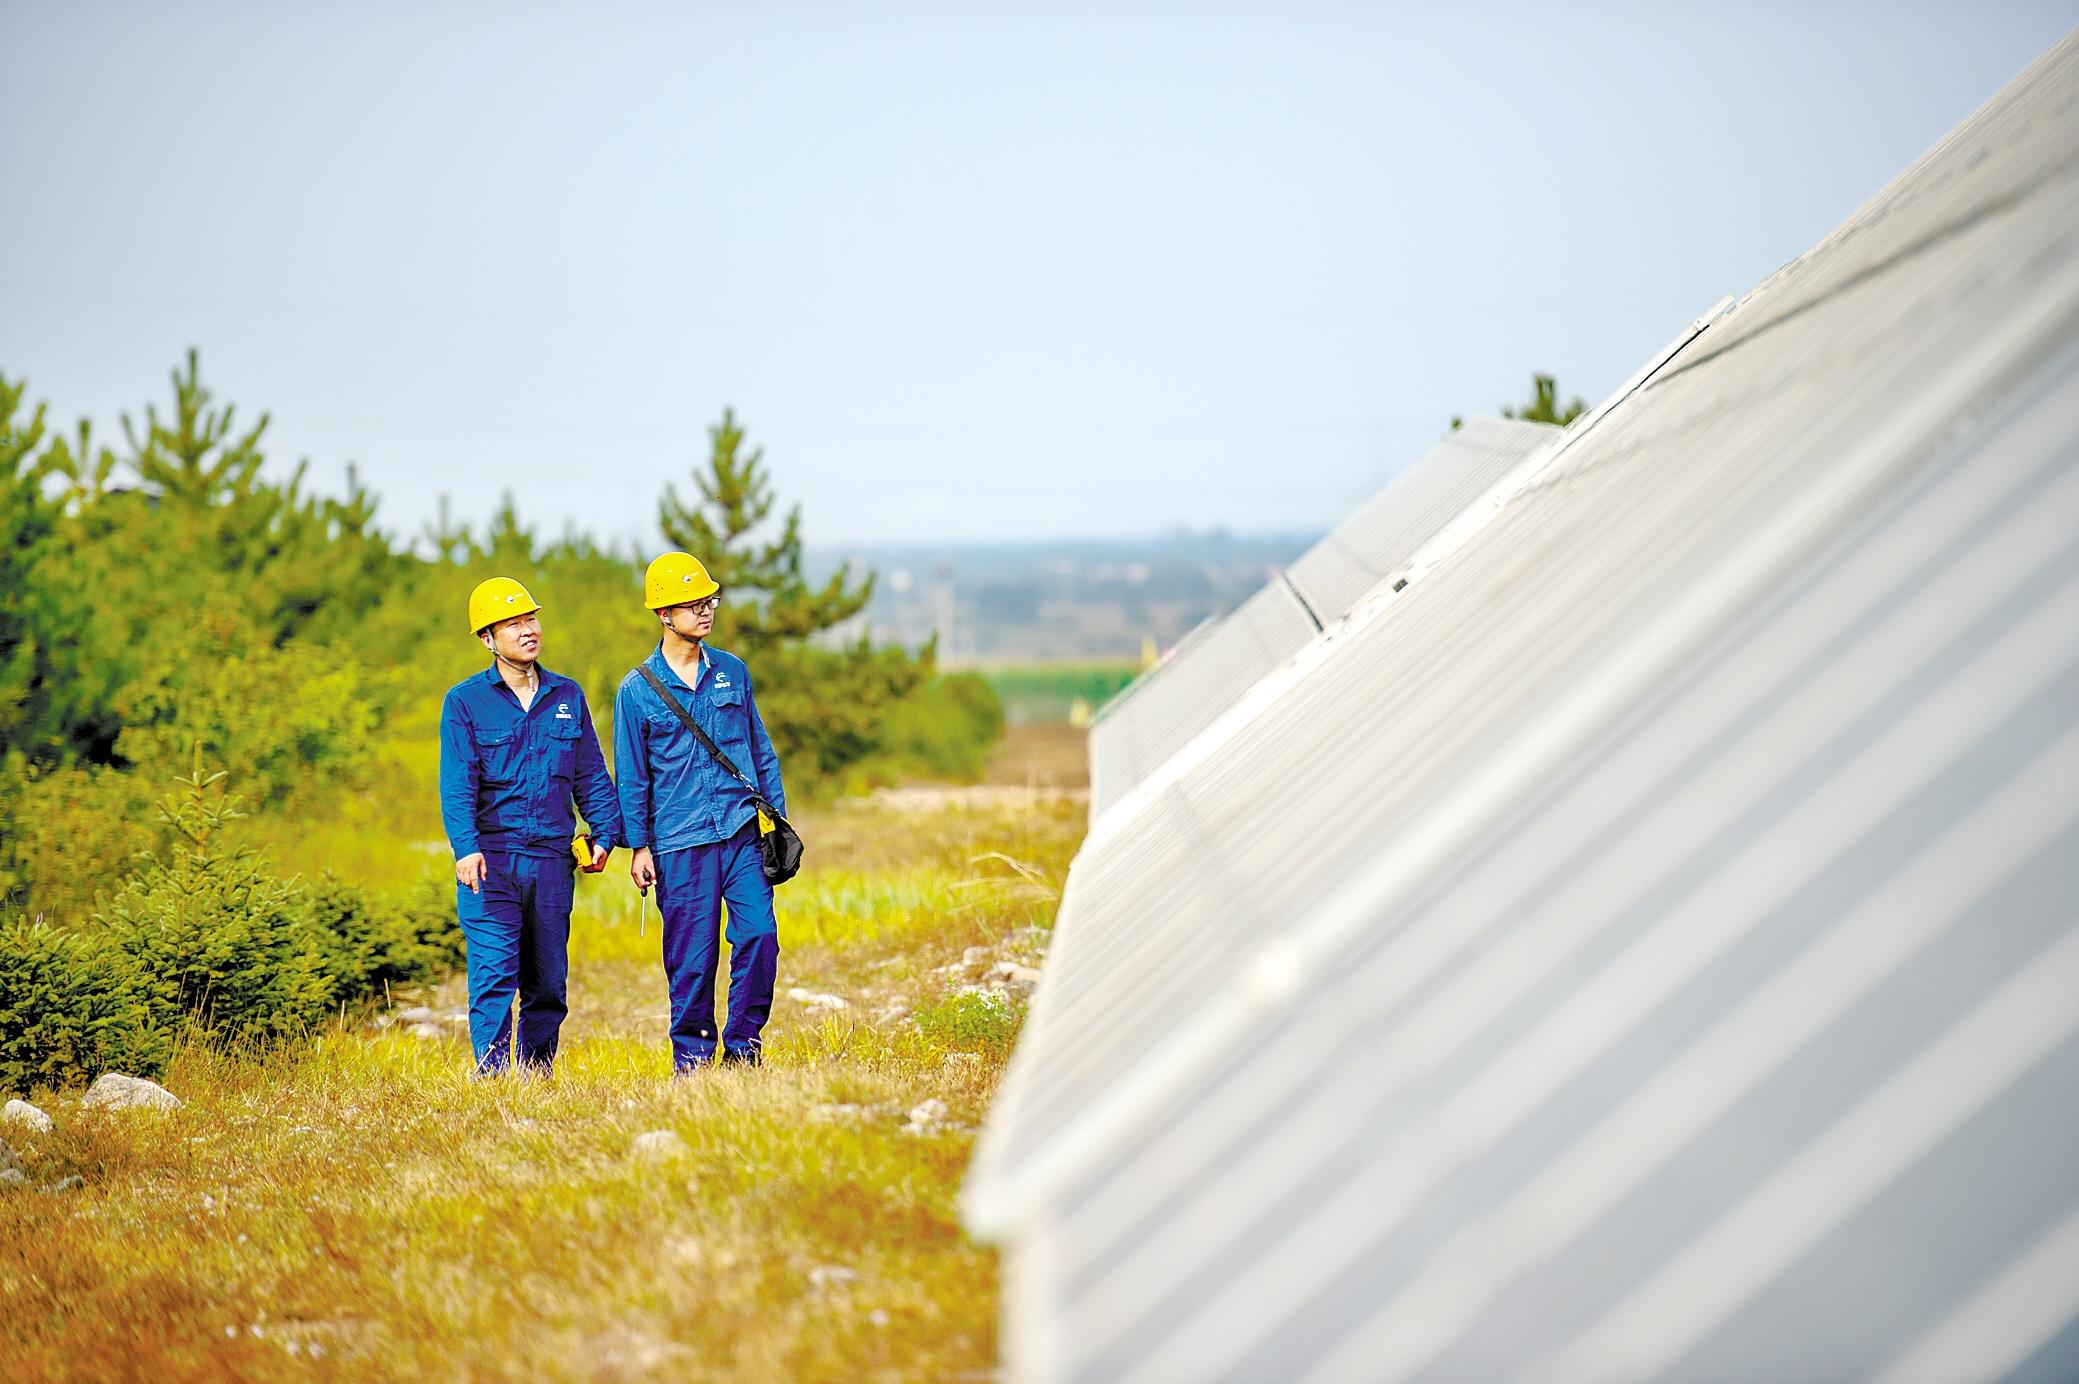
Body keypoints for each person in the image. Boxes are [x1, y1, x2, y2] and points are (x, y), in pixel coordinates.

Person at [438, 577, 620, 1074]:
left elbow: (591, 774)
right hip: (490, 862)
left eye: (530, 620)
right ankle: (494, 1077)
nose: (527, 630)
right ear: (487, 639)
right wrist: (465, 848)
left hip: (551, 861)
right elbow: (457, 783)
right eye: (513, 624)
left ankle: (535, 1074)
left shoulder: (567, 694)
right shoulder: (465, 703)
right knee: (495, 971)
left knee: (546, 980)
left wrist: (605, 834)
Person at [614, 551, 787, 1071]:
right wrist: (639, 845)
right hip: (677, 842)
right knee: (692, 960)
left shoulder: (733, 671)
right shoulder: (636, 690)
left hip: (740, 834)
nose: (706, 611)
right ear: (664, 615)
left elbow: (760, 749)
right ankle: (691, 1060)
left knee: (759, 935)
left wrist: (776, 820)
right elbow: (633, 773)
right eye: (692, 604)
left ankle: (743, 1049)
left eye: (709, 600)